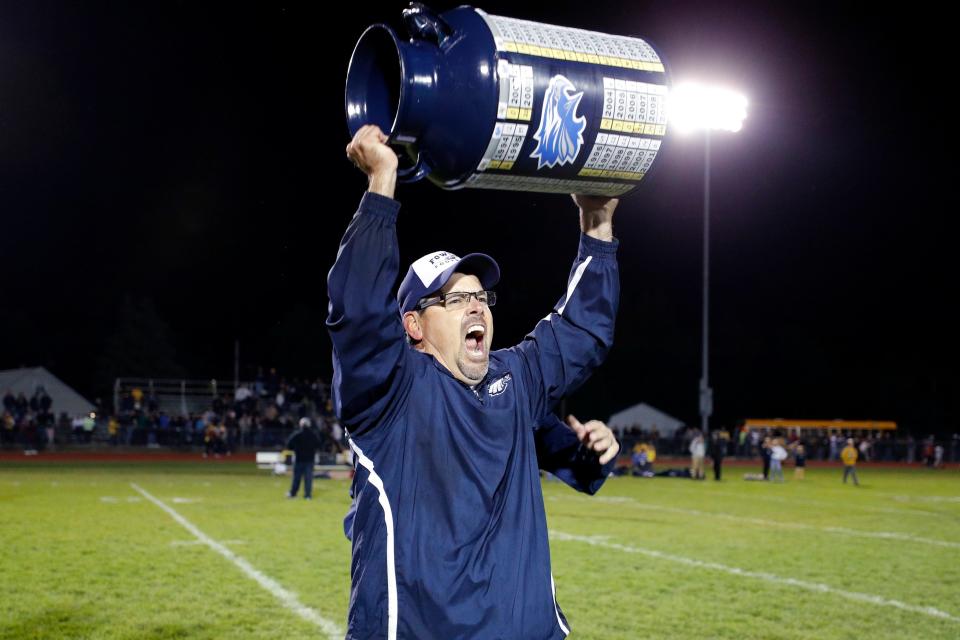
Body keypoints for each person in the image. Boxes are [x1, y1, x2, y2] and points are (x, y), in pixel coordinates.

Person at [330, 124, 620, 639]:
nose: (476, 304)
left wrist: (595, 223)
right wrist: (381, 184)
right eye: (454, 299)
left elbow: (581, 331)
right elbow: (356, 311)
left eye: (481, 296)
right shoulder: (392, 393)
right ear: (414, 326)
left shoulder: (516, 378)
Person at [286, 417, 321, 500]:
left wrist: (296, 448)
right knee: (308, 479)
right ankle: (308, 495)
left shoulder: (297, 434)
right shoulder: (313, 435)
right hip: (309, 460)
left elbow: (289, 445)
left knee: (296, 478)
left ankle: (293, 493)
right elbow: (319, 445)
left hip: (299, 459)